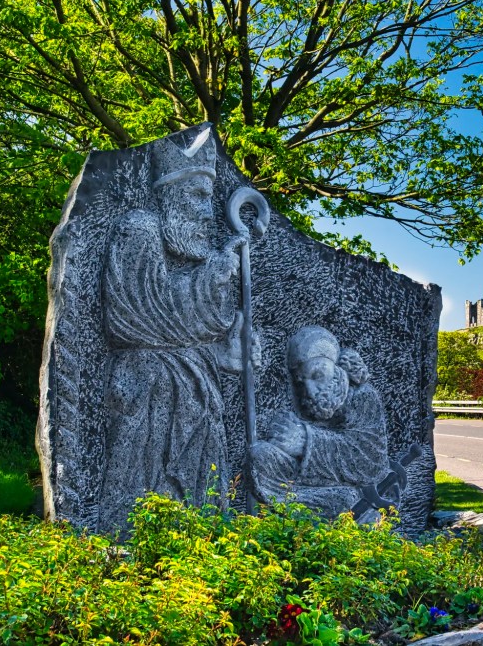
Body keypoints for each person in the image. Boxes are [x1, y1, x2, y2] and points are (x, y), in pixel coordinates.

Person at [98, 127, 253, 530]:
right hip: (151, 390)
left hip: (195, 389)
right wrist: (211, 277)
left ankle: (194, 561)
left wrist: (219, 284)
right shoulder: (140, 230)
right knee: (143, 505)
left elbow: (197, 325)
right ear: (171, 193)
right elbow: (141, 317)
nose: (208, 212)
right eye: (200, 197)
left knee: (198, 507)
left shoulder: (191, 255)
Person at [251, 326, 388, 518]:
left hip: (351, 487)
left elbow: (372, 463)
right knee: (260, 455)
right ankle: (300, 506)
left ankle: (305, 509)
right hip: (312, 482)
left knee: (347, 498)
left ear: (337, 369)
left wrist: (305, 441)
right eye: (301, 382)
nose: (310, 390)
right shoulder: (308, 403)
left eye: (317, 375)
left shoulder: (363, 397)